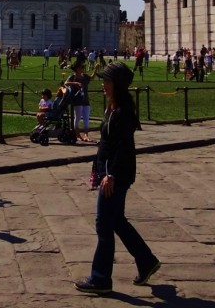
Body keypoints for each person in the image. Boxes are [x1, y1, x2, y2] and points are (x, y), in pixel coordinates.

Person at [75, 61, 160, 295]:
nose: (103, 83)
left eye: (107, 81)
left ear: (118, 85)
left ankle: (101, 278)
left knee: (104, 226)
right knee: (117, 221)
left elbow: (122, 147)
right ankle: (146, 260)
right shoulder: (114, 108)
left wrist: (109, 174)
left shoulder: (122, 113)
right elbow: (107, 144)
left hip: (115, 176)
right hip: (111, 173)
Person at [67, 60, 94, 142]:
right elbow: (66, 83)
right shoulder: (73, 77)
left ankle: (86, 135)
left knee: (86, 118)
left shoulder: (85, 76)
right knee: (77, 118)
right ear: (77, 68)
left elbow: (91, 78)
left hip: (86, 100)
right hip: (77, 100)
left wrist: (95, 70)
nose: (83, 68)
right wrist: (75, 83)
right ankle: (77, 134)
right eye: (81, 67)